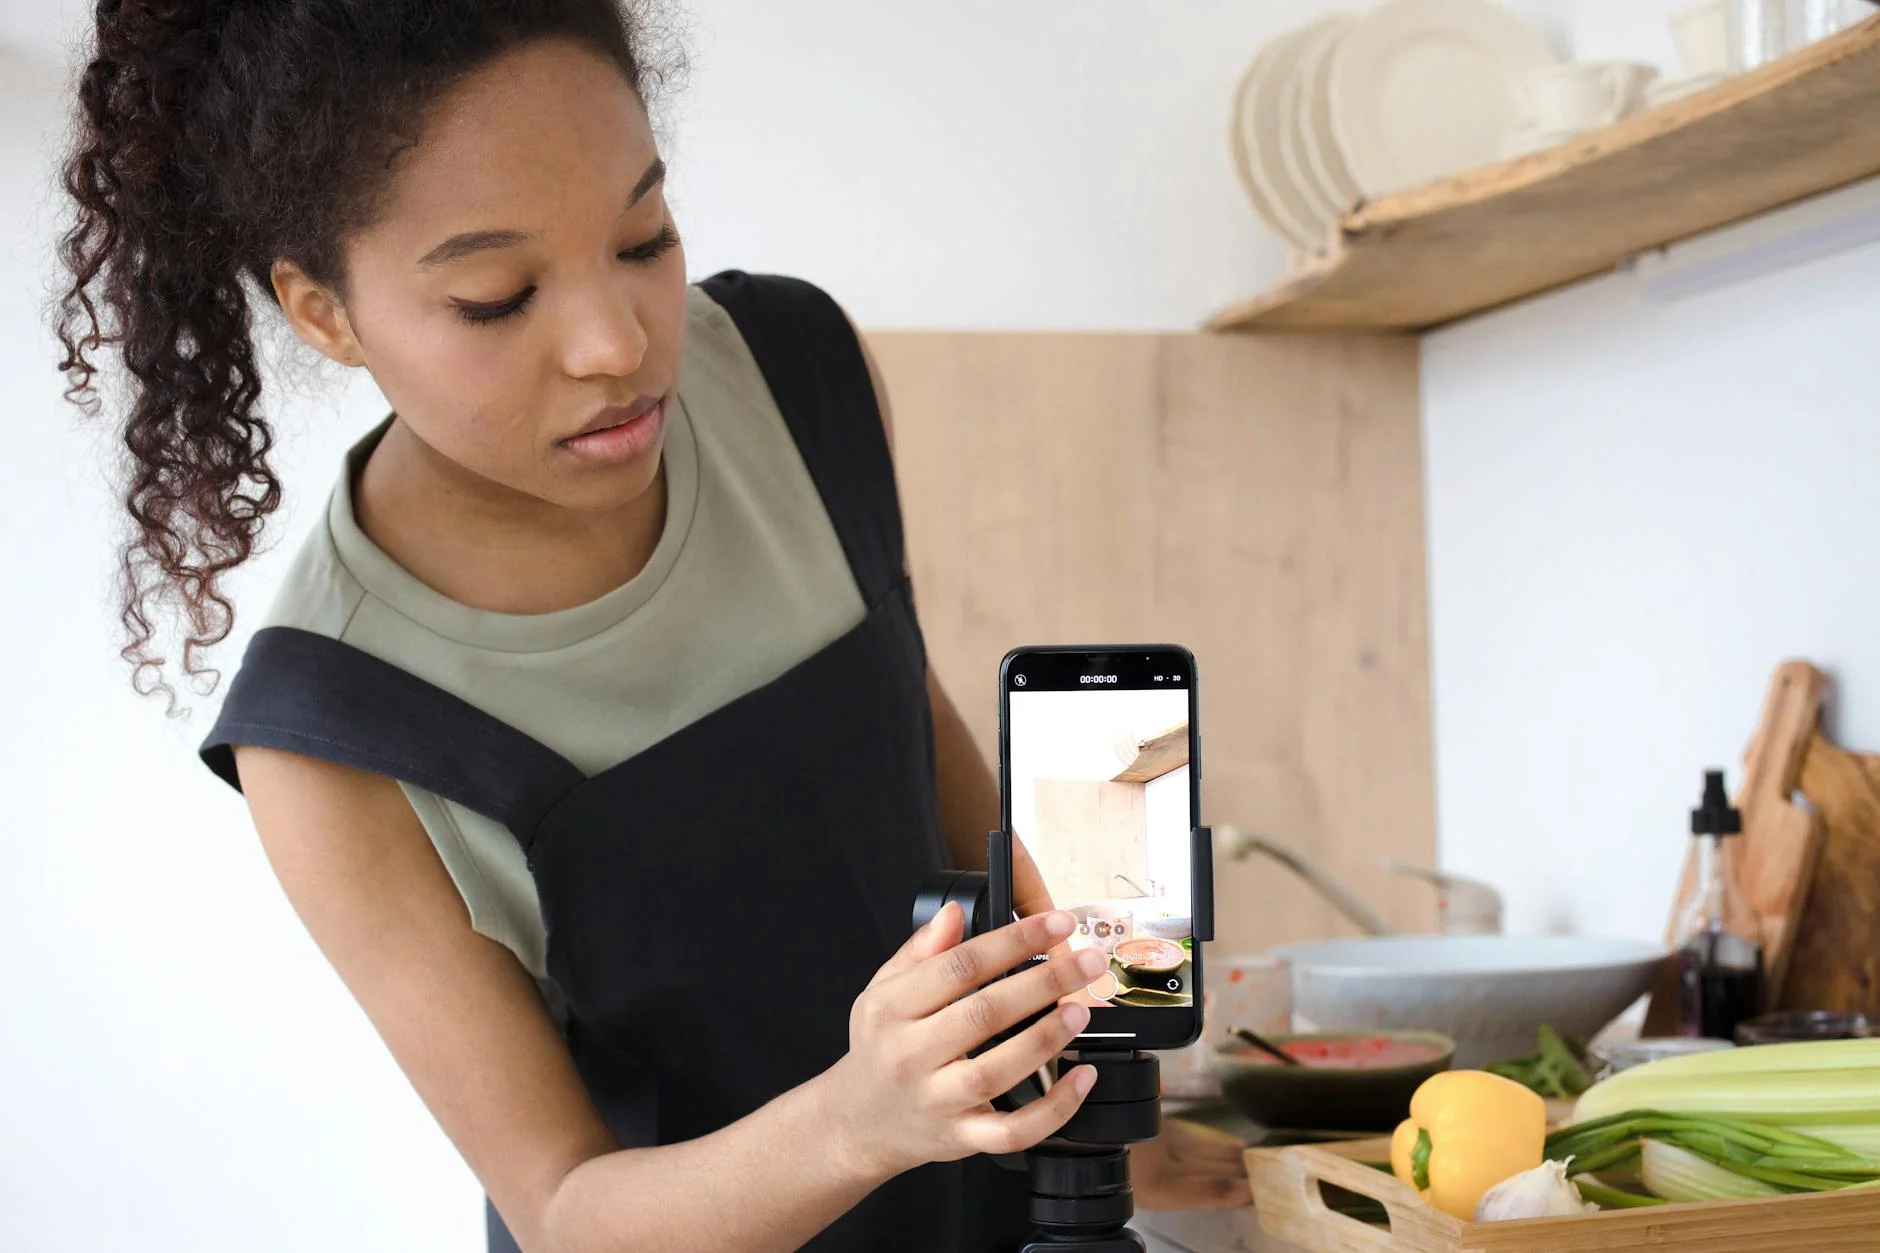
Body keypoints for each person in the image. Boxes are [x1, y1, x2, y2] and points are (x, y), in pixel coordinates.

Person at [55, 2, 1251, 1249]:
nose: (615, 344)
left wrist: (1109, 1091)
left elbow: (919, 750)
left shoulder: (800, 373)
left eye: (643, 238)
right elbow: (567, 1209)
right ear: (324, 311)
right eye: (496, 295)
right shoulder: (333, 733)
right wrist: (860, 1118)